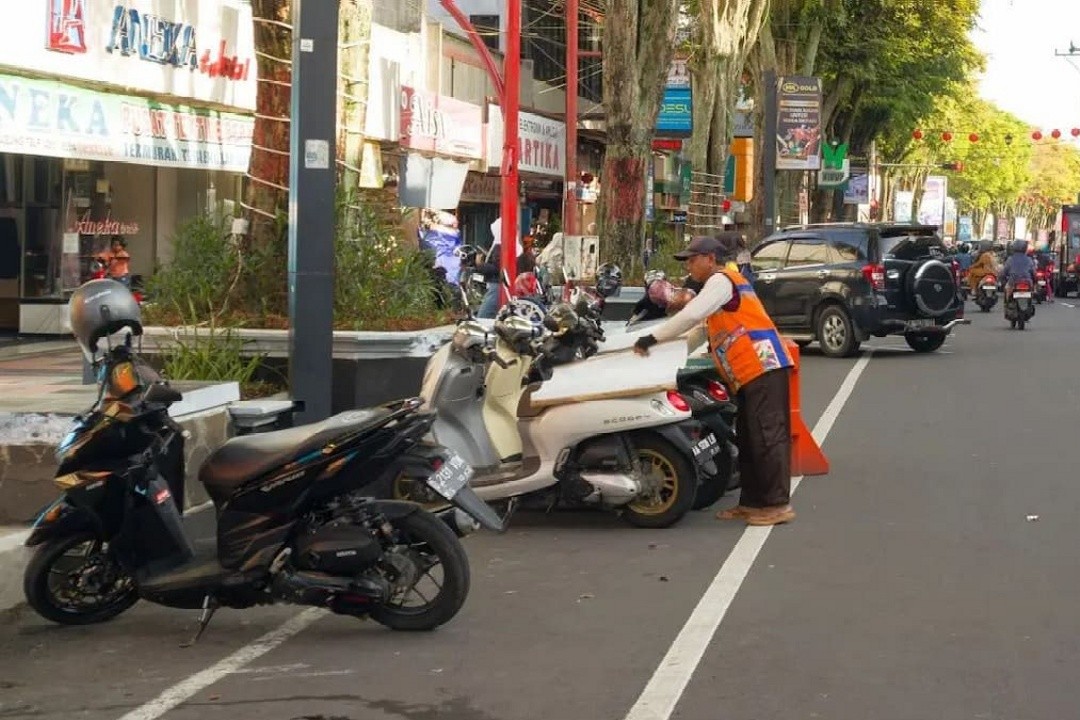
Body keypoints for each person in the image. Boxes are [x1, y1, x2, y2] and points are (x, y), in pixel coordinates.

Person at [632, 234, 796, 527]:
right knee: (749, 438)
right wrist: (662, 351)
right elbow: (699, 330)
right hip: (748, 373)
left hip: (763, 366)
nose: (689, 267)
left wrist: (652, 338)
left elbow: (691, 314)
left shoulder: (722, 281)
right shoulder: (719, 288)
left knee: (767, 437)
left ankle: (777, 504)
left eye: (693, 260)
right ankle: (751, 502)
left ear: (710, 259)